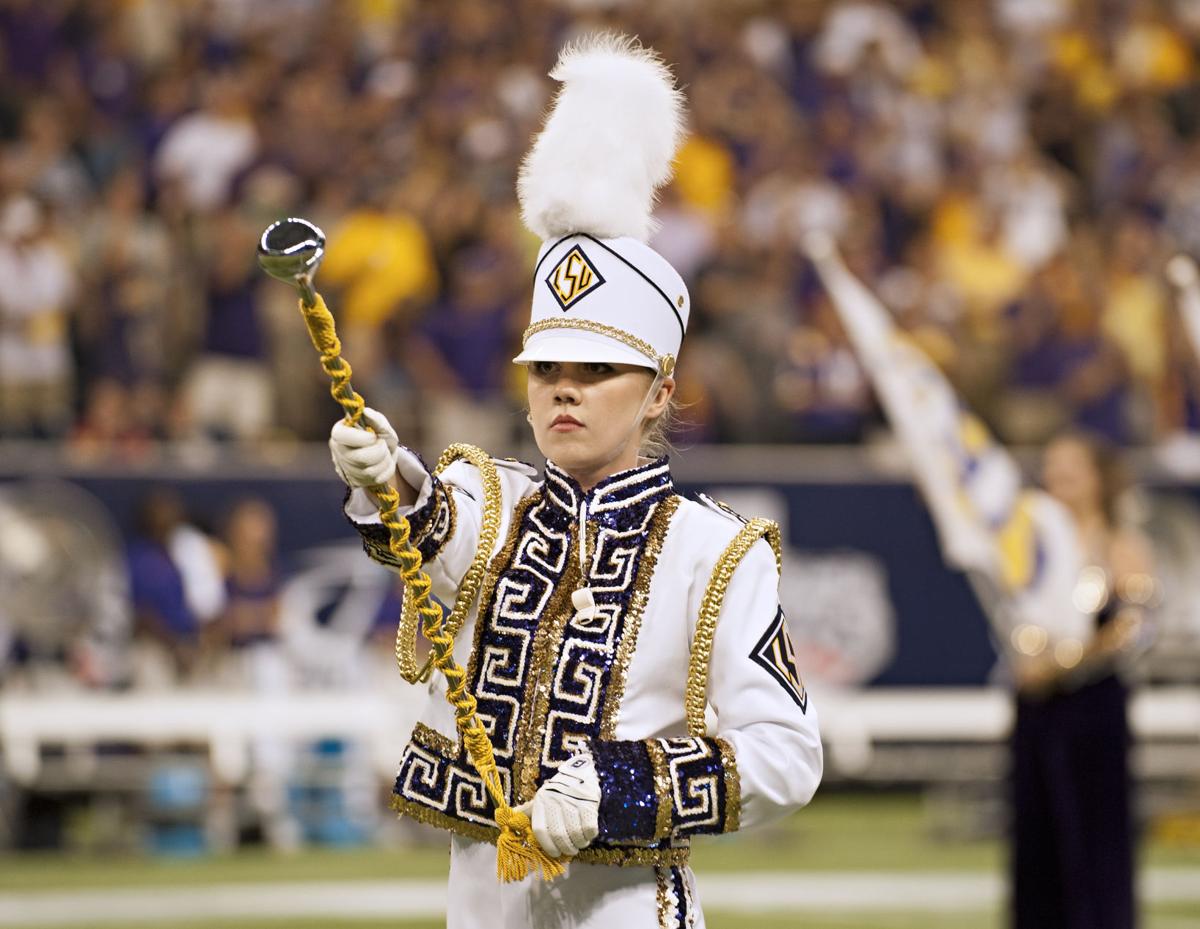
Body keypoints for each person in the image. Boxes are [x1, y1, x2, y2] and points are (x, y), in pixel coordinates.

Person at [329, 36, 822, 929]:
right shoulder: (492, 500)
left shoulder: (716, 551)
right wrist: (386, 474)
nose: (564, 387)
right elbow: (429, 525)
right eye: (547, 365)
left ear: (661, 390)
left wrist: (619, 786)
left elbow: (787, 755)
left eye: (597, 370)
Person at [806, 234, 1156, 929]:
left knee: (1096, 850)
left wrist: (1062, 660)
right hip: (1035, 704)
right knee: (1037, 852)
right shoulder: (1034, 537)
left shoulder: (1121, 540)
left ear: (1097, 476)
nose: (1055, 480)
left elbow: (1132, 623)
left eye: (1069, 469)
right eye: (1050, 468)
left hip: (1091, 706)